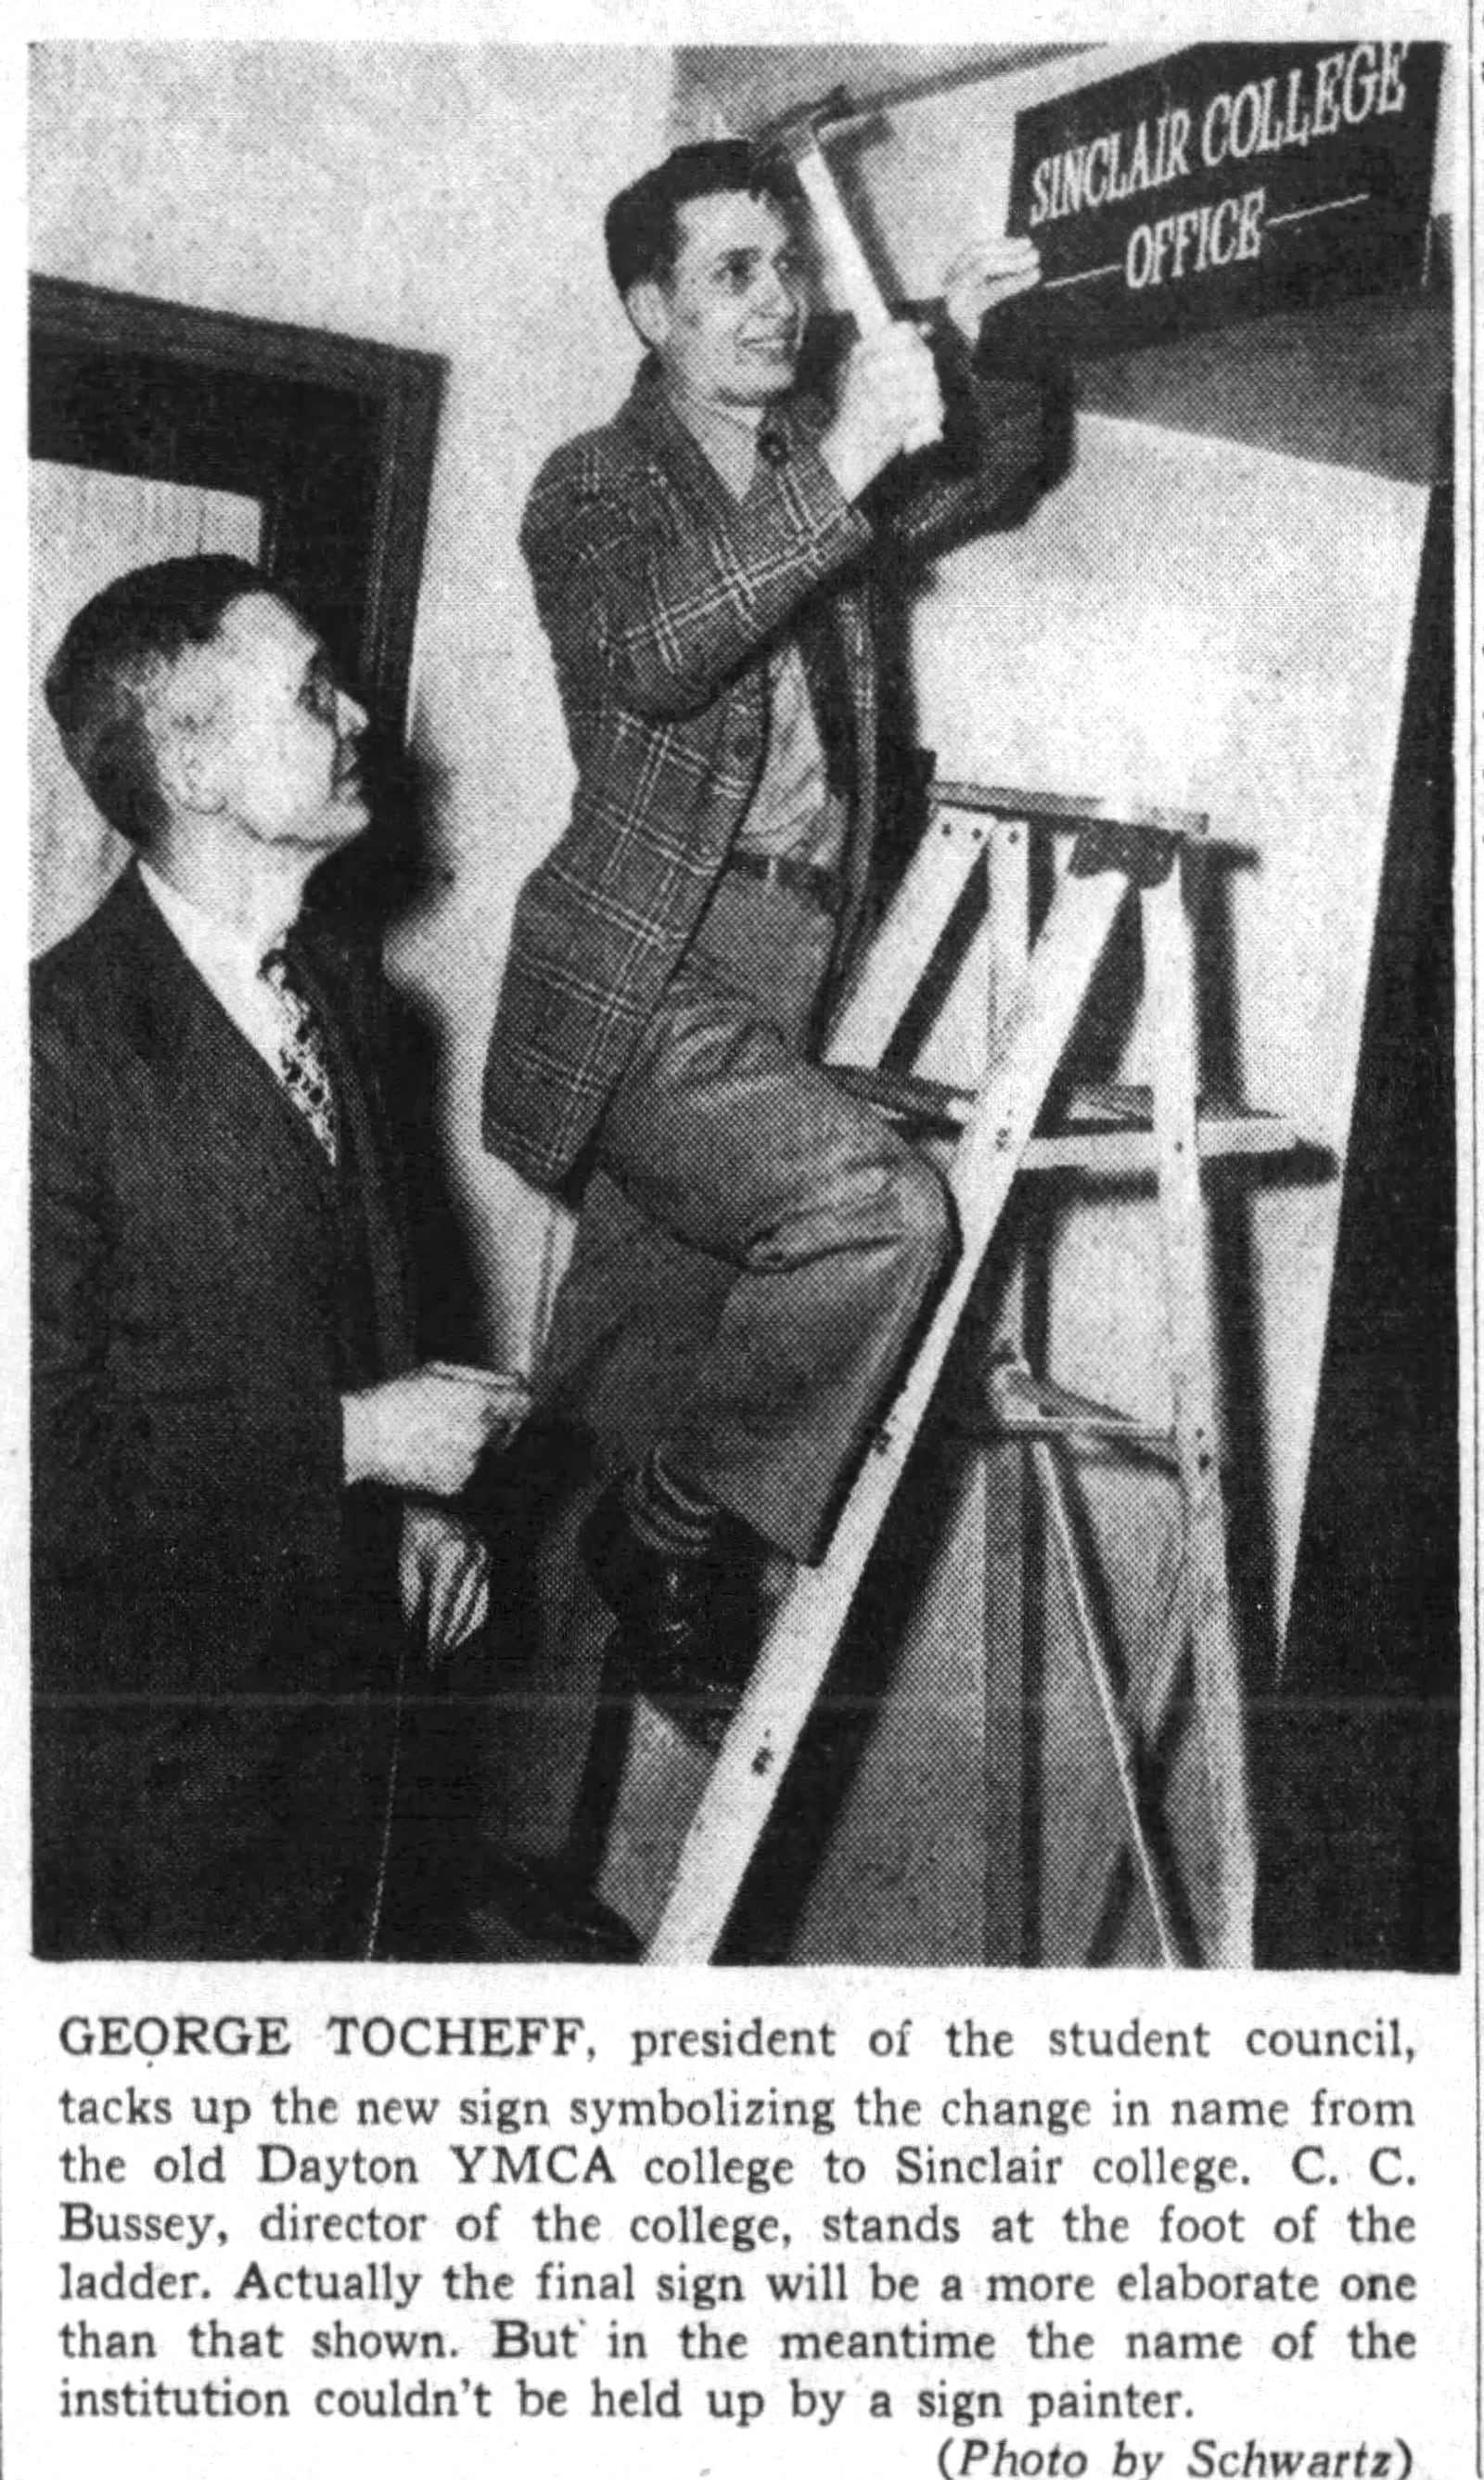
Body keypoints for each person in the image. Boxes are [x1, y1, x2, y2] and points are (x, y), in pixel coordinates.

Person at [481, 142, 1063, 1745]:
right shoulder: (595, 484)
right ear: (648, 307)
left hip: (789, 974)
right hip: (654, 973)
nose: (778, 297)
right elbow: (659, 651)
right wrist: (851, 447)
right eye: (732, 271)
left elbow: (993, 463)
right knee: (882, 1211)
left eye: (787, 264)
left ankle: (528, 1834)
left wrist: (955, 342)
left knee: (606, 1416)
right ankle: (666, 1538)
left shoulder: (824, 459)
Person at [32, 556, 638, 1960]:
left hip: (348, 1747)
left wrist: (414, 1510)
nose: (358, 711)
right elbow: (43, 1462)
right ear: (189, 761)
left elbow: (336, 1322)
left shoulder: (349, 1000)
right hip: (154, 1795)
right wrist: (362, 1441)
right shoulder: (50, 1048)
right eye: (310, 691)